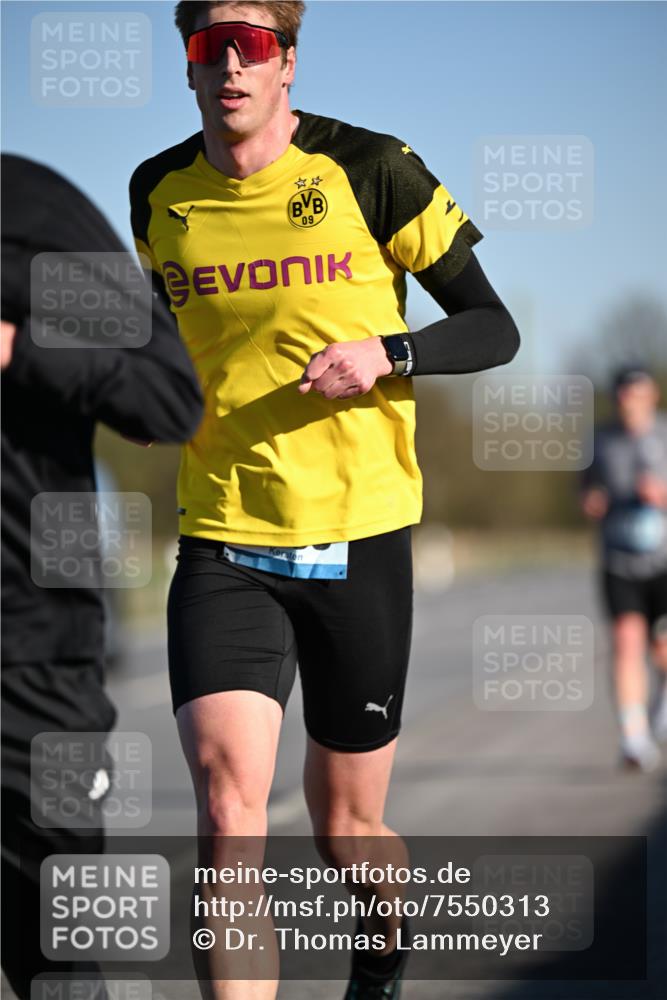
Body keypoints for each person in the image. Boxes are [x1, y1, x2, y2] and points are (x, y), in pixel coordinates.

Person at [129, 3, 520, 997]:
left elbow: (492, 326)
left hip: (361, 531)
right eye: (207, 44)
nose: (228, 63)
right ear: (185, 64)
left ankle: (381, 954)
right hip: (223, 534)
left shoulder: (373, 167)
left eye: (251, 44)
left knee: (347, 827)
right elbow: (159, 354)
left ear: (287, 61)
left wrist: (391, 354)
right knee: (228, 817)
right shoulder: (159, 194)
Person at [1, 153, 204, 999]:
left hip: (30, 660)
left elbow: (169, 400)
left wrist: (22, 349)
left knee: (54, 959)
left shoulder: (32, 210)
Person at [581, 366, 667, 772]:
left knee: (662, 648)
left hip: (664, 561)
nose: (629, 404)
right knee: (626, 640)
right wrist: (591, 500)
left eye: (637, 396)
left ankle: (662, 702)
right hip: (618, 558)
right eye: (622, 397)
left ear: (651, 397)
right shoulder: (600, 440)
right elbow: (585, 488)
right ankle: (633, 738)